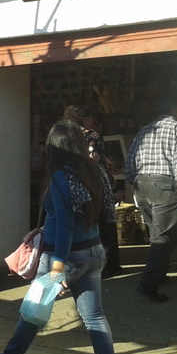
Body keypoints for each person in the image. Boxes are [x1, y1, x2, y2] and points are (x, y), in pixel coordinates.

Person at [0, 119, 123, 354]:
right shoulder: (94, 171)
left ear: (55, 147)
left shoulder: (60, 176)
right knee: (95, 317)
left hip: (66, 254)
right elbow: (106, 213)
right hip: (94, 251)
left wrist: (57, 269)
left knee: (35, 309)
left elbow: (67, 225)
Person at [125, 98, 177, 302]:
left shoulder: (145, 129)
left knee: (156, 233)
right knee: (164, 237)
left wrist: (134, 181)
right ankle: (148, 283)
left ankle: (159, 275)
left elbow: (130, 159)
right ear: (173, 108)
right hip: (163, 184)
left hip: (141, 183)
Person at [63, 105, 122, 277]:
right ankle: (107, 266)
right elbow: (98, 162)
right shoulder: (91, 134)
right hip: (94, 182)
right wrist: (114, 186)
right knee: (104, 223)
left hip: (71, 181)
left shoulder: (64, 134)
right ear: (84, 118)